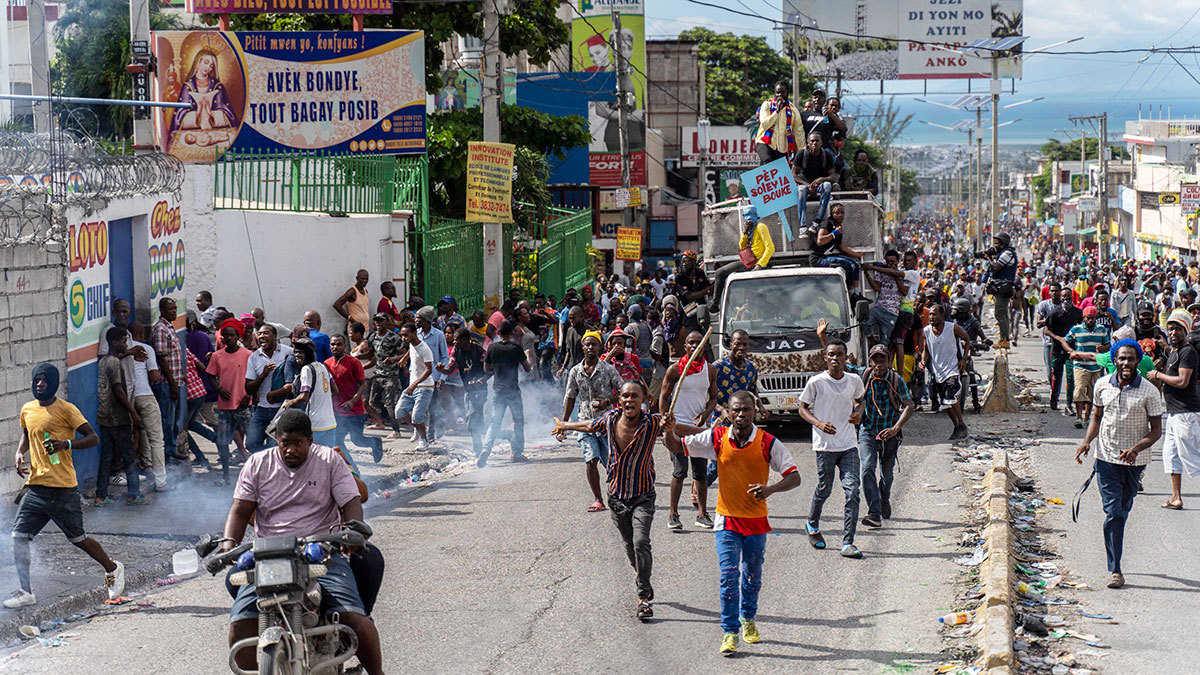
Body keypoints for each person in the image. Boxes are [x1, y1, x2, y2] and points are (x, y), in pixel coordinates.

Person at [222, 409, 383, 674]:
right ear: (277, 440)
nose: (291, 450)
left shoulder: (330, 459)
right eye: (286, 442)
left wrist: (353, 531)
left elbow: (351, 502)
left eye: (298, 443)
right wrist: (228, 544)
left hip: (322, 553)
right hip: (269, 557)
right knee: (240, 623)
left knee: (354, 618)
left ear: (310, 440)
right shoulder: (257, 463)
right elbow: (239, 510)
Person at [663, 391, 801, 656]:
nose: (741, 415)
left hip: (756, 523)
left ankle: (748, 619)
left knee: (752, 577)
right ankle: (729, 632)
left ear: (755, 412)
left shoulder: (768, 442)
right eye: (736, 410)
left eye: (746, 410)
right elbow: (677, 446)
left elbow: (794, 477)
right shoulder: (716, 437)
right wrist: (669, 431)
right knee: (728, 577)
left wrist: (770, 489)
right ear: (728, 412)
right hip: (726, 521)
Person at [5, 363, 126, 608]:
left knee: (78, 539)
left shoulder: (66, 409)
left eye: (44, 381)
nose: (40, 384)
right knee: (19, 537)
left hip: (62, 489)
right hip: (37, 487)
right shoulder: (27, 409)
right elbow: (28, 434)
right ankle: (26, 592)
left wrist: (65, 444)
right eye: (37, 380)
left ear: (53, 383)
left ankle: (113, 568)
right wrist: (19, 453)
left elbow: (93, 438)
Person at [552, 381, 664, 620]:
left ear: (643, 399)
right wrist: (565, 424)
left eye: (635, 396)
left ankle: (643, 597)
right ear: (620, 400)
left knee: (641, 541)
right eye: (625, 396)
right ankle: (641, 576)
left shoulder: (653, 423)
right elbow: (589, 425)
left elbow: (675, 434)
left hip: (643, 495)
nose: (629, 400)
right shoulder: (610, 420)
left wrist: (673, 428)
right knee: (629, 546)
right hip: (616, 497)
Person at [1075, 340, 1164, 590]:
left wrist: (1136, 449)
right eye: (1122, 358)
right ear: (1114, 360)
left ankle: (1115, 546)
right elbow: (1096, 416)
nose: (1126, 363)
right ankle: (1115, 570)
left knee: (1123, 510)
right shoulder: (1102, 385)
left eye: (1131, 359)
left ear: (1138, 361)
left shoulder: (1149, 391)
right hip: (1106, 460)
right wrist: (1086, 441)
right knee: (1114, 511)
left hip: (1135, 463)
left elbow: (1156, 430)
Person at [798, 338, 866, 558]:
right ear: (825, 358)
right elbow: (802, 408)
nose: (836, 359)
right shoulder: (816, 382)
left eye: (840, 355)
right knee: (824, 488)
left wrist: (858, 414)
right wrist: (818, 423)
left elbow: (859, 400)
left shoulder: (854, 380)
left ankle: (848, 542)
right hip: (825, 446)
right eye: (832, 355)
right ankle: (812, 523)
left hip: (848, 445)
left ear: (846, 358)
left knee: (853, 491)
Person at [659, 330, 717, 531]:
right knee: (680, 471)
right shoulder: (675, 370)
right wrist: (665, 419)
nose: (694, 346)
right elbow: (664, 396)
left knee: (700, 473)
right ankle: (673, 514)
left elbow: (714, 398)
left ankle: (702, 514)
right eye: (690, 343)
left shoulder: (710, 370)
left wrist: (705, 413)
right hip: (677, 427)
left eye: (698, 343)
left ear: (703, 346)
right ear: (685, 347)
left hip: (698, 430)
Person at [559, 331, 622, 512]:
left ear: (600, 347)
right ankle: (598, 499)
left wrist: (608, 401)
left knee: (611, 462)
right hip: (584, 424)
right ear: (582, 347)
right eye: (587, 344)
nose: (590, 348)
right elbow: (570, 397)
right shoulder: (575, 372)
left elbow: (623, 391)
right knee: (590, 459)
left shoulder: (608, 369)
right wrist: (563, 424)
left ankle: (617, 493)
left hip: (607, 423)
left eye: (594, 344)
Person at [1146, 310, 1200, 511]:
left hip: (1186, 413)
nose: (1173, 332)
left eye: (1178, 328)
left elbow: (1182, 381)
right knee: (1171, 456)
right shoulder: (1175, 353)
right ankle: (1176, 497)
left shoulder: (1188, 352)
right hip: (1174, 414)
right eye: (1170, 328)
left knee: (1193, 457)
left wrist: (1159, 375)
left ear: (1185, 330)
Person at [94, 327, 145, 507]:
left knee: (106, 457)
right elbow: (118, 390)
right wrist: (133, 412)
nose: (125, 344)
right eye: (123, 341)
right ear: (115, 343)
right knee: (128, 455)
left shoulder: (103, 362)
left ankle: (101, 496)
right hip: (118, 417)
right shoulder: (115, 364)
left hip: (104, 416)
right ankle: (134, 494)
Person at [207, 319, 253, 484]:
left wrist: (248, 396)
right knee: (223, 442)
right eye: (226, 335)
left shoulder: (248, 355)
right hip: (225, 406)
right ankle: (226, 476)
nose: (229, 338)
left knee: (252, 439)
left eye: (232, 335)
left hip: (243, 404)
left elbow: (254, 379)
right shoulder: (217, 356)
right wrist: (219, 389)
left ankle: (257, 474)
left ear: (237, 336)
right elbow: (210, 376)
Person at [326, 334, 383, 465]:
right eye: (333, 344)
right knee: (337, 441)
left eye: (339, 344)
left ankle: (375, 442)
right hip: (337, 411)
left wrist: (353, 401)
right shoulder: (327, 363)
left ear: (345, 346)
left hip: (355, 410)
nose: (335, 347)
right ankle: (350, 466)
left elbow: (363, 384)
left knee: (357, 440)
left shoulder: (353, 362)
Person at [480, 320, 531, 467]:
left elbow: (486, 369)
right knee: (518, 422)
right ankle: (517, 453)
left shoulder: (492, 348)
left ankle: (486, 448)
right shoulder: (516, 348)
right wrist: (529, 358)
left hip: (498, 390)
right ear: (511, 334)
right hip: (513, 391)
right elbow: (527, 368)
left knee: (494, 423)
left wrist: (496, 369)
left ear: (498, 333)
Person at [918, 302, 972, 440]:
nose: (931, 317)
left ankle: (961, 425)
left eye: (935, 314)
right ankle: (958, 426)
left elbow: (967, 338)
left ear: (942, 315)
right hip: (938, 372)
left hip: (952, 369)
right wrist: (923, 361)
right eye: (930, 314)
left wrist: (964, 359)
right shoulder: (926, 331)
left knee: (950, 397)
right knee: (945, 404)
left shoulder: (952, 328)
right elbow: (926, 349)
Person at [709, 206, 775, 313]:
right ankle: (716, 304)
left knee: (720, 273)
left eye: (750, 215)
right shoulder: (749, 230)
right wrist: (745, 233)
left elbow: (770, 248)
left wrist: (760, 264)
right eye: (746, 216)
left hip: (755, 262)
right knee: (720, 273)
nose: (748, 218)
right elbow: (742, 246)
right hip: (747, 261)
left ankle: (715, 303)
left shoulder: (761, 227)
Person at [124, 322, 166, 487]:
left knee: (138, 432)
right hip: (145, 394)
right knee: (156, 438)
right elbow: (155, 376)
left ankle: (146, 465)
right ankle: (161, 480)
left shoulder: (122, 348)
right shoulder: (145, 348)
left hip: (127, 398)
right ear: (141, 333)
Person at [280, 339, 339, 449]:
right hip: (330, 422)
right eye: (296, 352)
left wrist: (289, 403)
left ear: (308, 354)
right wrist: (323, 400)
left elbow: (304, 397)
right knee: (328, 457)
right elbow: (335, 391)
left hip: (315, 424)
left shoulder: (306, 369)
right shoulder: (323, 367)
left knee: (312, 458)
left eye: (300, 352)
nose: (297, 355)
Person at [244, 324, 294, 453]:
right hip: (262, 409)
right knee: (251, 444)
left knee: (274, 446)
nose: (261, 336)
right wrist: (263, 375)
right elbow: (248, 388)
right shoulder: (254, 357)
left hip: (281, 409)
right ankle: (268, 463)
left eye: (265, 333)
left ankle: (273, 468)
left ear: (275, 336)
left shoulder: (288, 352)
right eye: (259, 334)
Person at [442, 328, 490, 458]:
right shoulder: (456, 352)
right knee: (478, 424)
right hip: (468, 392)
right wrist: (443, 370)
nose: (454, 341)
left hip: (480, 391)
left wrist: (480, 380)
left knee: (471, 422)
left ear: (464, 340)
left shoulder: (479, 351)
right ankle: (505, 434)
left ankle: (478, 450)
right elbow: (450, 368)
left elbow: (490, 370)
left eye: (456, 339)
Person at [1062, 307, 1112, 430]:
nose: (1090, 320)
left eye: (1092, 318)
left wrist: (1103, 348)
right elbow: (1065, 341)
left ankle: (1087, 418)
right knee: (1079, 390)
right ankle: (1079, 417)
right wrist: (1071, 351)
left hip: (1096, 366)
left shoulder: (1101, 330)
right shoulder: (1076, 329)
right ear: (1084, 318)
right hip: (1080, 365)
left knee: (1092, 393)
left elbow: (1108, 345)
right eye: (1088, 318)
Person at [151, 297, 185, 461]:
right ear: (162, 310)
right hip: (167, 384)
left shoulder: (170, 328)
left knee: (174, 419)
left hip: (176, 382)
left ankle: (171, 448)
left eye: (175, 308)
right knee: (167, 419)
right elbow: (162, 359)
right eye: (171, 309)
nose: (174, 311)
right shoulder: (161, 329)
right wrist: (172, 384)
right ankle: (167, 451)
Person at [394, 322, 435, 451]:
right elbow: (410, 350)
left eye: (406, 335)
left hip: (425, 386)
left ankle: (424, 440)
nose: (403, 338)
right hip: (413, 385)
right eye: (402, 336)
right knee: (399, 412)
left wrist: (415, 384)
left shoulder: (425, 349)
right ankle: (418, 427)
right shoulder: (412, 344)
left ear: (414, 333)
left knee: (417, 416)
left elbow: (429, 370)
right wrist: (404, 358)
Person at [811, 204, 864, 293]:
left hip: (826, 257)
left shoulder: (838, 227)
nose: (840, 215)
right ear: (832, 214)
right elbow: (820, 241)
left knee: (856, 264)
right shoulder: (826, 223)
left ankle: (856, 293)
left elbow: (842, 247)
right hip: (818, 259)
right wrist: (834, 233)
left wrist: (857, 255)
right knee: (848, 265)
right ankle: (851, 295)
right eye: (837, 213)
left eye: (842, 213)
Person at [1046, 290, 1084, 414]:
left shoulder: (1078, 313)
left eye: (1068, 297)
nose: (1066, 299)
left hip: (1071, 350)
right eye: (1063, 297)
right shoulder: (1055, 313)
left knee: (1071, 377)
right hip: (1057, 349)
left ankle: (1069, 405)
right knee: (1056, 377)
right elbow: (1046, 330)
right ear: (1060, 297)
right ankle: (1054, 400)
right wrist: (1059, 339)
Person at [862, 250, 909, 347]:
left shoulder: (903, 274)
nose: (890, 264)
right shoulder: (882, 272)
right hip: (879, 307)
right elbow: (876, 287)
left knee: (885, 341)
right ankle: (873, 343)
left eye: (893, 262)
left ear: (897, 261)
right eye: (888, 262)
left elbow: (904, 292)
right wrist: (867, 274)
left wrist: (895, 275)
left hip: (892, 313)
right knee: (864, 322)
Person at [793, 132, 837, 231]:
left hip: (820, 184)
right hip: (805, 184)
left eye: (817, 141)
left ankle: (817, 221)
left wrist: (822, 179)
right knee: (800, 191)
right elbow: (794, 175)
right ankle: (802, 226)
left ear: (821, 143)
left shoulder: (827, 155)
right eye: (812, 141)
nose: (814, 143)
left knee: (827, 186)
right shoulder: (801, 154)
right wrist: (808, 185)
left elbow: (833, 176)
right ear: (808, 142)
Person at [754, 80, 802, 165]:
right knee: (767, 161)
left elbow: (798, 132)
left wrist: (798, 151)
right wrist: (776, 112)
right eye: (777, 93)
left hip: (781, 146)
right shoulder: (767, 105)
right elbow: (765, 125)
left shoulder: (793, 110)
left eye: (782, 93)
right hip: (764, 142)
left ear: (788, 93)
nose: (779, 95)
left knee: (780, 170)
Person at [986, 233, 1019, 347]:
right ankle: (1004, 338)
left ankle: (1004, 340)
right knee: (1003, 314)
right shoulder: (1003, 253)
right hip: (1001, 287)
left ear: (1003, 242)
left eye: (997, 242)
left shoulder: (1007, 253)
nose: (995, 245)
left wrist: (988, 258)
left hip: (1003, 288)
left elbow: (996, 267)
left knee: (999, 313)